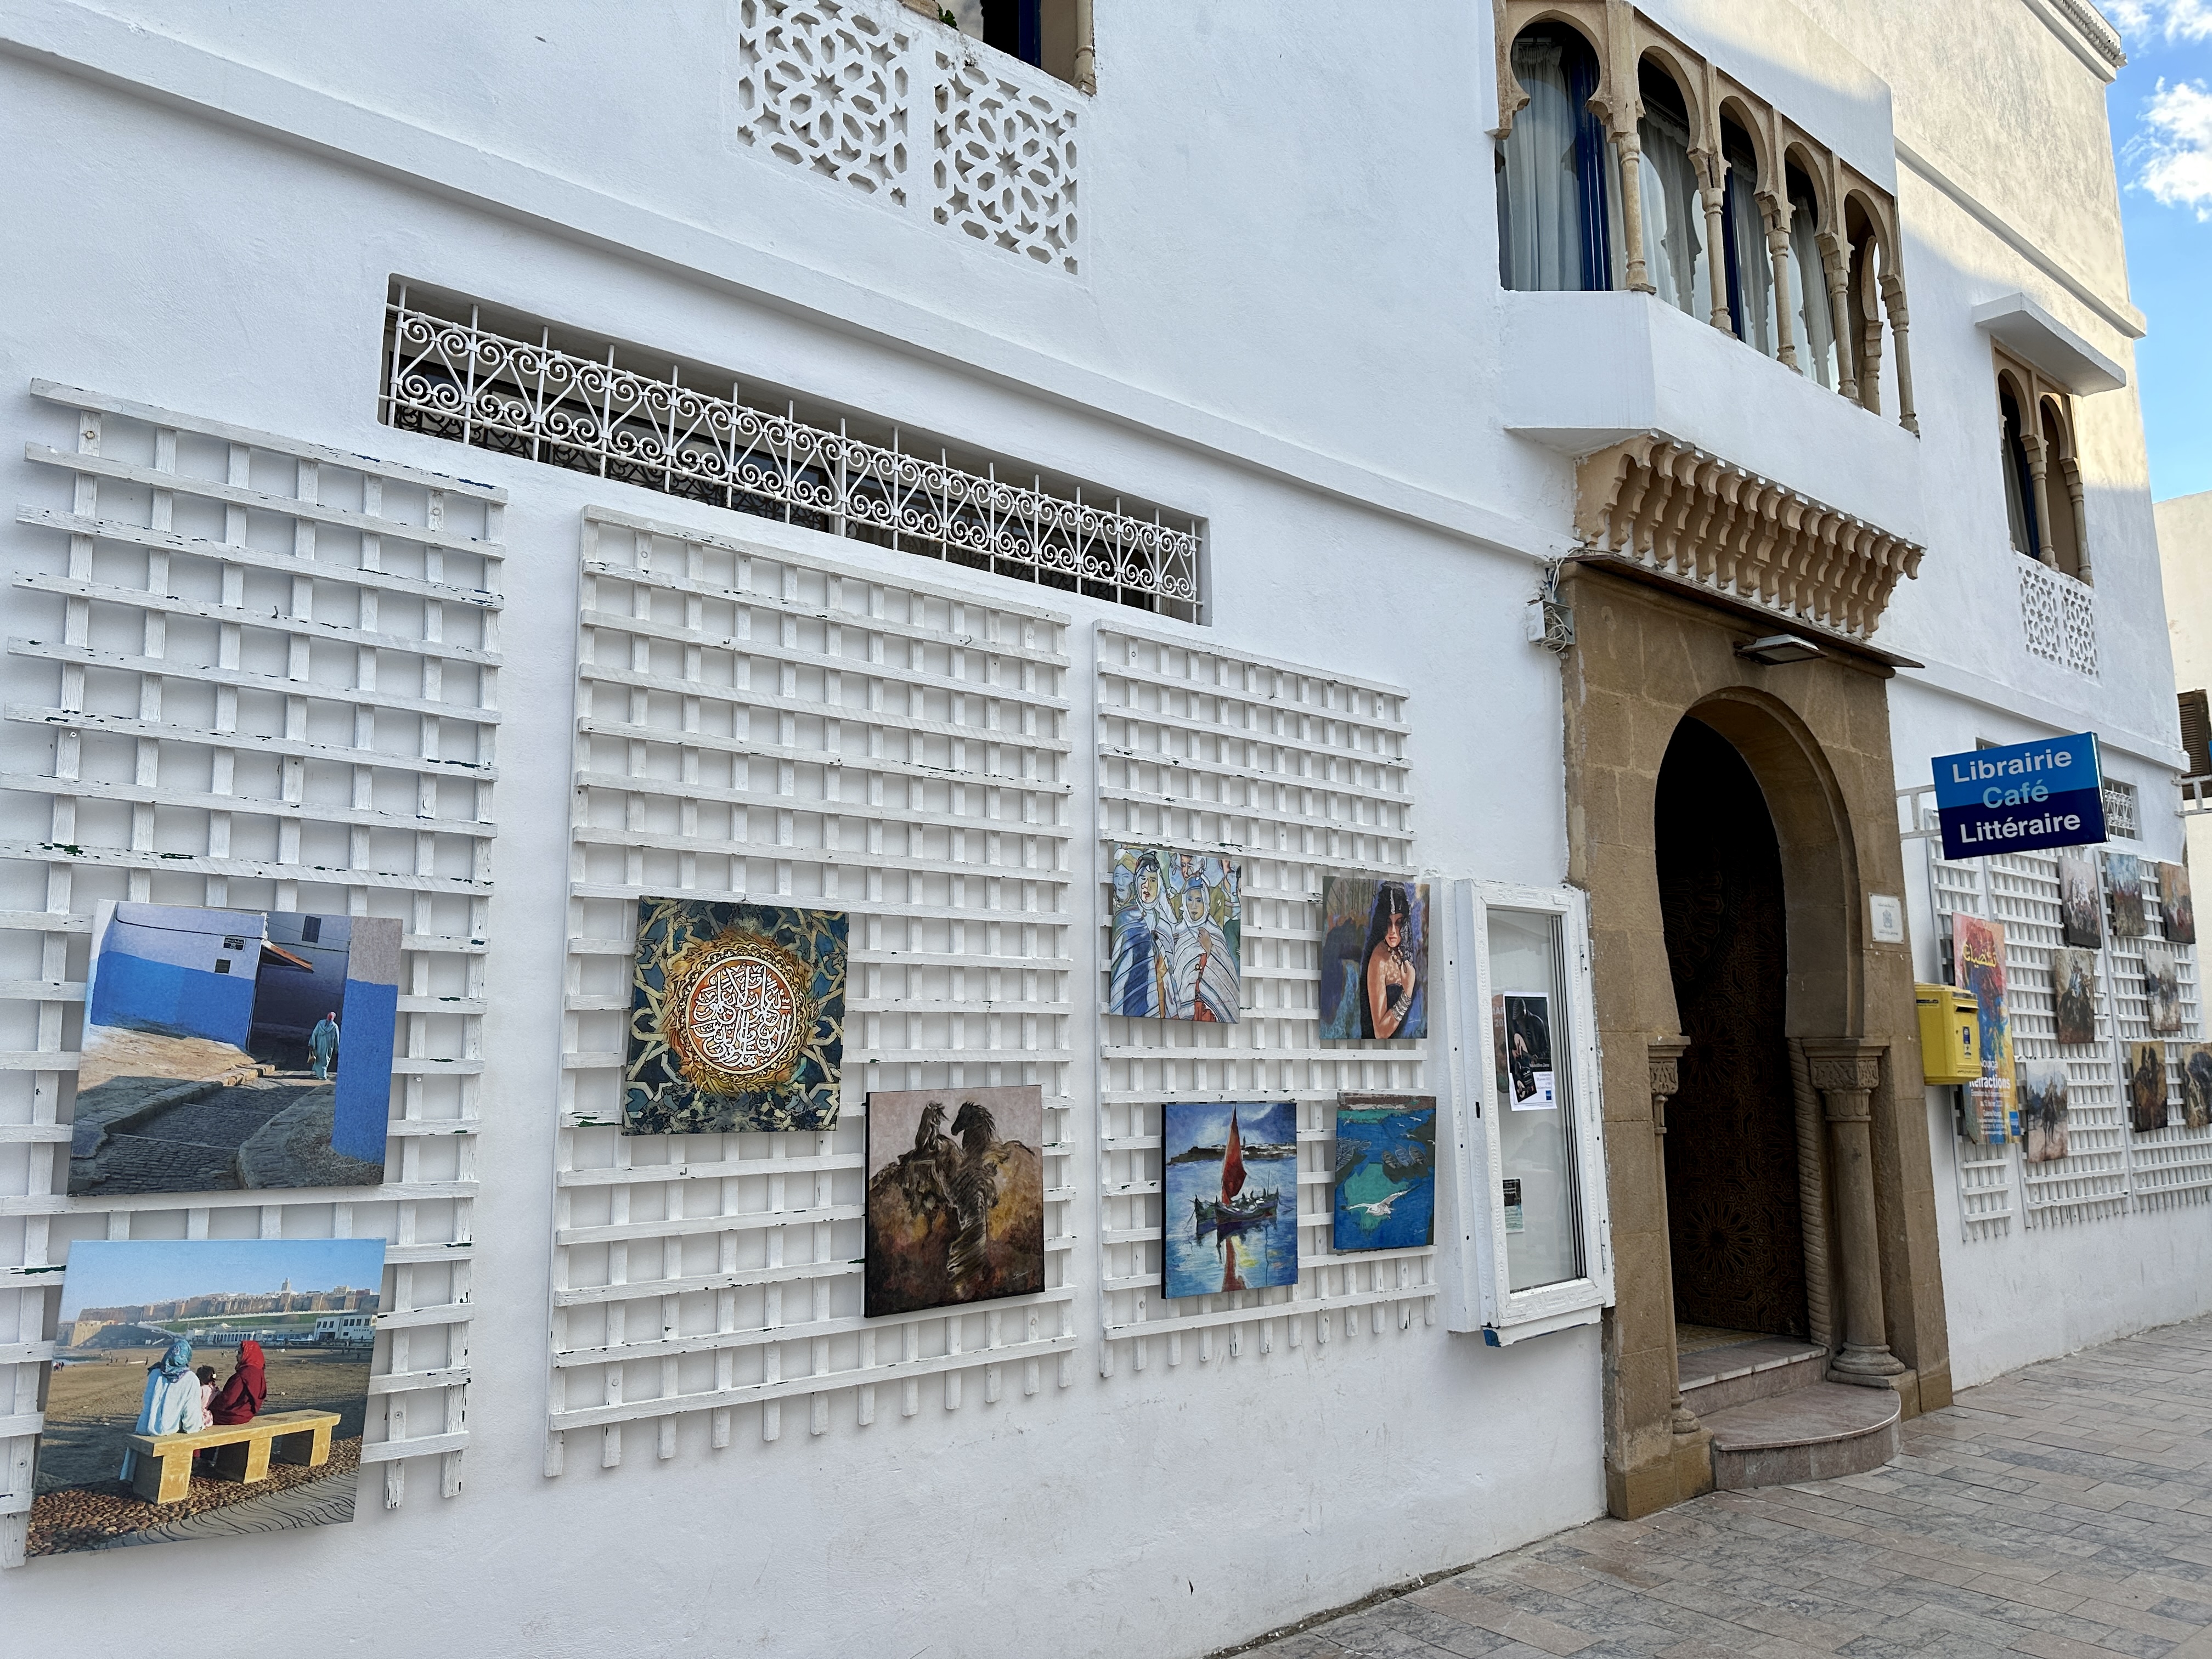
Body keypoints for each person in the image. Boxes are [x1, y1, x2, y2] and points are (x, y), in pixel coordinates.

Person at [118, 1338, 204, 1482]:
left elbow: (148, 1400)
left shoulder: (155, 1373)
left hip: (144, 1427)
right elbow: (190, 1415)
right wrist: (195, 1428)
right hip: (168, 1429)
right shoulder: (190, 1379)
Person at [1361, 883, 1418, 1039]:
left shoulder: (1404, 950)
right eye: (1388, 922)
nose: (1393, 931)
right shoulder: (1379, 960)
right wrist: (1407, 994)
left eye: (1398, 923)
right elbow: (1380, 1032)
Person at [209, 1339, 268, 1425]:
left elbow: (228, 1400)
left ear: (247, 1355)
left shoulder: (244, 1375)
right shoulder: (258, 1371)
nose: (237, 1356)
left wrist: (211, 1405)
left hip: (234, 1415)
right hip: (248, 1414)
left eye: (240, 1353)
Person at [309, 1011, 341, 1081]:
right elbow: (336, 1039)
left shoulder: (320, 1023)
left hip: (318, 1044)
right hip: (328, 1046)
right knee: (325, 1060)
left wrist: (312, 1043)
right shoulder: (335, 1027)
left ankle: (316, 1072)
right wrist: (337, 1049)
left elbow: (315, 1033)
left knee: (318, 1058)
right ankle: (322, 1076)